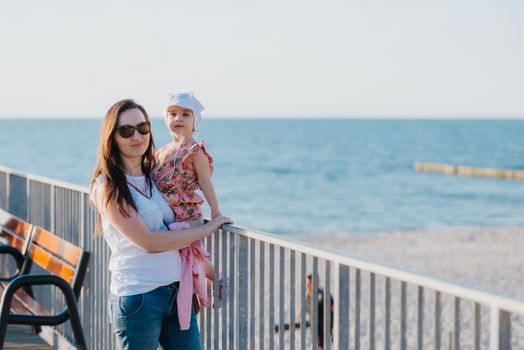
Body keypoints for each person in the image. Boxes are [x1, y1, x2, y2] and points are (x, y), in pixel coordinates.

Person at [89, 99, 232, 350]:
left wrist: (213, 271)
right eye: (127, 130)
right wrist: (206, 229)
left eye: (143, 128)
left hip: (176, 294)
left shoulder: (154, 177)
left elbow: (174, 235)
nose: (137, 136)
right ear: (112, 137)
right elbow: (149, 242)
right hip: (139, 298)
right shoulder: (107, 187)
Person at [152, 93, 225, 328]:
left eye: (185, 114)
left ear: (195, 121)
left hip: (186, 214)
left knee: (191, 257)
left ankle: (218, 279)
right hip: (167, 213)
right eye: (172, 114)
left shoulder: (195, 150)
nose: (178, 119)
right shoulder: (163, 150)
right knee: (184, 259)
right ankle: (203, 289)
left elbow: (205, 183)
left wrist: (216, 213)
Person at [275, 274, 334, 349]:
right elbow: (303, 308)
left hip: (324, 331)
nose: (307, 286)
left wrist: (333, 327)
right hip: (314, 331)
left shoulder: (323, 295)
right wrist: (298, 319)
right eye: (307, 284)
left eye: (309, 284)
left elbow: (333, 310)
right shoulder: (308, 297)